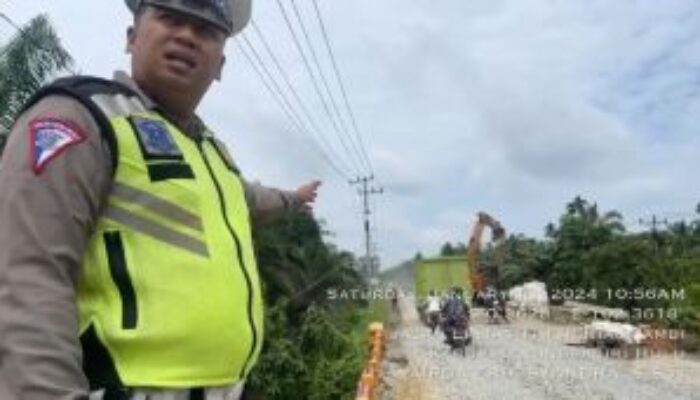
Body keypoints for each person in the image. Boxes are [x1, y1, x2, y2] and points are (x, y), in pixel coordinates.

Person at [0, 1, 322, 399]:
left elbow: (253, 199)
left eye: (205, 30)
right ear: (131, 38)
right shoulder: (84, 117)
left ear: (220, 65)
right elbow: (28, 278)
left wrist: (295, 199)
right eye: (170, 18)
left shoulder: (212, 155)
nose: (186, 35)